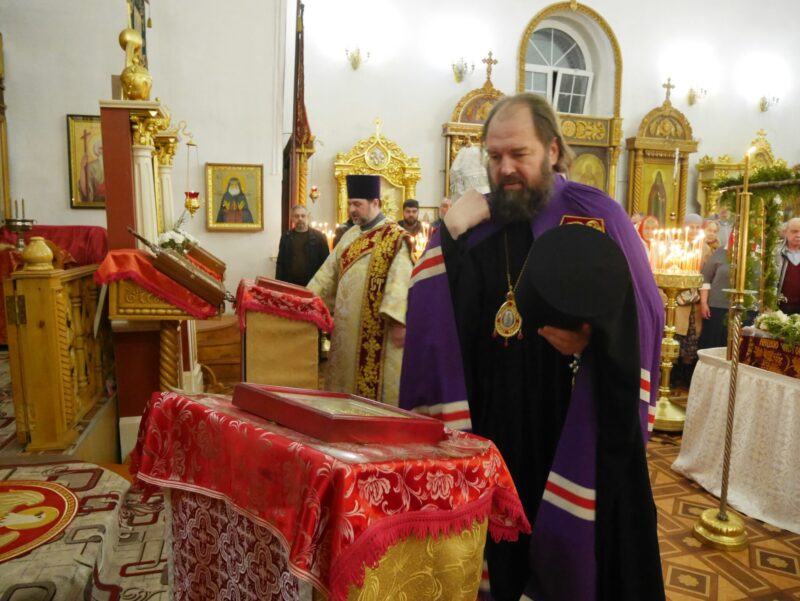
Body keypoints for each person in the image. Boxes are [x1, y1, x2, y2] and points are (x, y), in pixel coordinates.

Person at [400, 93, 665, 601]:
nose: (506, 169)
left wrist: (597, 340)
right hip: (490, 423)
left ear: (553, 150)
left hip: (567, 424)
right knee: (497, 562)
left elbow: (646, 315)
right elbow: (435, 318)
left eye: (519, 154)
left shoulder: (597, 216)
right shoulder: (475, 226)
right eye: (495, 156)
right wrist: (447, 236)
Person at [308, 174, 413, 405]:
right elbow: (326, 275)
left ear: (376, 202)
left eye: (357, 204)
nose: (352, 210)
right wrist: (305, 302)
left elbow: (400, 281)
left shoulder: (395, 238)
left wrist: (398, 321)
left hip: (378, 333)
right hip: (346, 332)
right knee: (343, 391)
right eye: (350, 204)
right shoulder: (349, 236)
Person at [275, 205, 330, 286]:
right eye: (296, 216)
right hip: (290, 283)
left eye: (303, 216)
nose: (300, 219)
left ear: (308, 217)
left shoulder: (319, 237)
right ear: (292, 218)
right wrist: (278, 284)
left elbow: (326, 264)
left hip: (312, 283)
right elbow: (280, 263)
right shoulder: (286, 237)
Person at [776, 217, 800, 314]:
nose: (798, 235)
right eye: (794, 231)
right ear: (785, 232)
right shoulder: (775, 252)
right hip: (779, 309)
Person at [78, 138, 105, 202]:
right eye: (101, 148)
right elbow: (87, 191)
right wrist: (82, 168)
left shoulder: (114, 164)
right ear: (97, 150)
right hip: (98, 200)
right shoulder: (91, 166)